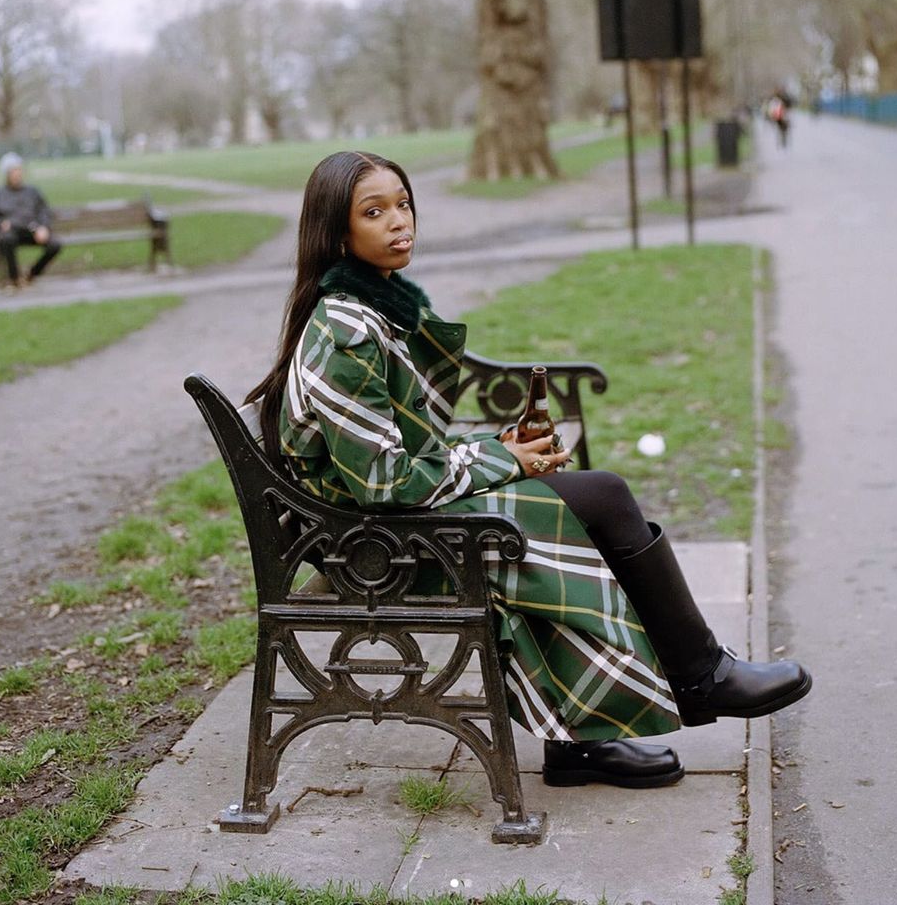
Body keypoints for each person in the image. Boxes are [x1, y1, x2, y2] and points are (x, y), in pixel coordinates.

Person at [245, 151, 811, 790]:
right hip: (377, 546)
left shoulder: (368, 306)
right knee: (589, 503)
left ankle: (603, 731)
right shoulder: (345, 329)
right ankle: (697, 679)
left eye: (403, 204)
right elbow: (384, 482)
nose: (399, 222)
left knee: (592, 501)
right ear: (337, 233)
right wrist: (498, 458)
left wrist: (495, 447)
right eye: (374, 212)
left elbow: (398, 453)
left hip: (383, 521)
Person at [0, 153, 62, 287]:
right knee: (6, 240)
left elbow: (44, 211)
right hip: (11, 234)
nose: (17, 174)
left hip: (32, 231)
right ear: (6, 173)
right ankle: (14, 278)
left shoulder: (32, 192)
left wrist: (44, 227)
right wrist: (1, 224)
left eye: (19, 170)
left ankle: (32, 273)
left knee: (55, 245)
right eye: (13, 171)